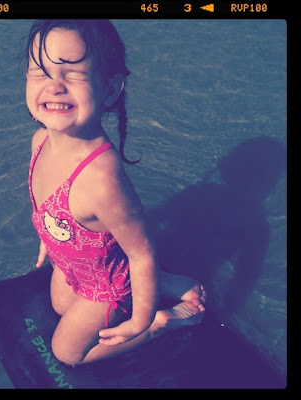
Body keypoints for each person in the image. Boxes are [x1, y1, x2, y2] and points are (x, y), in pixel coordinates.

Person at [26, 19, 207, 366]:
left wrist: (140, 322)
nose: (54, 86)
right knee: (60, 306)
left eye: (73, 74)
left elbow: (142, 252)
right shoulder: (40, 141)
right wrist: (48, 238)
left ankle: (162, 323)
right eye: (40, 72)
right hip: (76, 263)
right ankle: (164, 283)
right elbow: (44, 202)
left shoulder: (101, 180)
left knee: (67, 354)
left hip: (106, 286)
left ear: (110, 89)